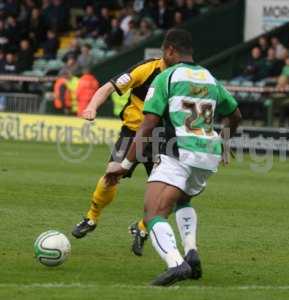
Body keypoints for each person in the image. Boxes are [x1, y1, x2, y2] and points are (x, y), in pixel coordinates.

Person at [104, 28, 242, 286]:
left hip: (177, 151)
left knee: (153, 212)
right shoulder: (209, 78)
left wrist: (124, 164)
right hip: (207, 156)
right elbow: (235, 115)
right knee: (183, 200)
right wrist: (224, 140)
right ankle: (191, 253)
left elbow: (147, 126)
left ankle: (175, 264)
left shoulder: (166, 77)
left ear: (169, 50)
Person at [71, 49, 169, 251]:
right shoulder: (146, 68)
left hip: (163, 138)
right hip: (133, 133)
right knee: (111, 176)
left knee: (169, 193)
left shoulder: (183, 77)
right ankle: (91, 218)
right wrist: (92, 106)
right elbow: (107, 88)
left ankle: (142, 227)